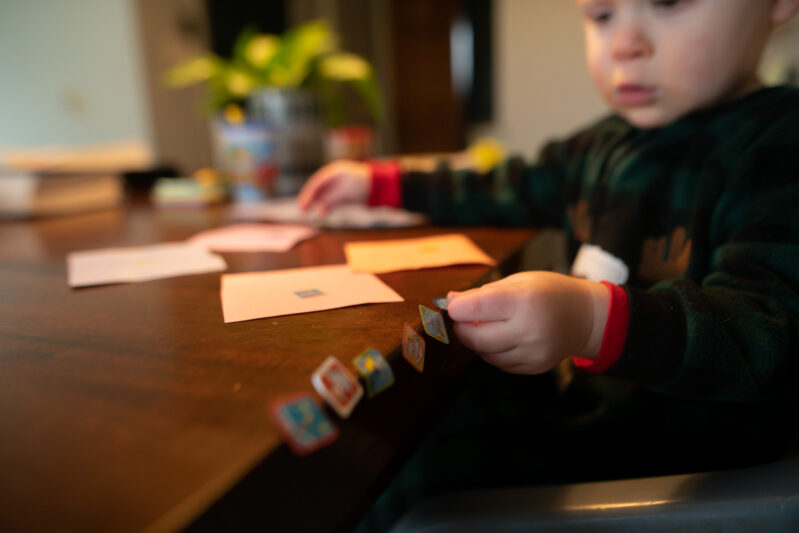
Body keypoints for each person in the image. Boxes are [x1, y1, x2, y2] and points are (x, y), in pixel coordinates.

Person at [300, 0, 799, 529]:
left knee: (402, 473)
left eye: (668, 3)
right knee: (396, 424)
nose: (624, 44)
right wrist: (387, 184)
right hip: (582, 414)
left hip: (680, 466)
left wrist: (591, 322)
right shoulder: (599, 144)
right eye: (601, 15)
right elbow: (504, 187)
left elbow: (769, 332)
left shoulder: (780, 143)